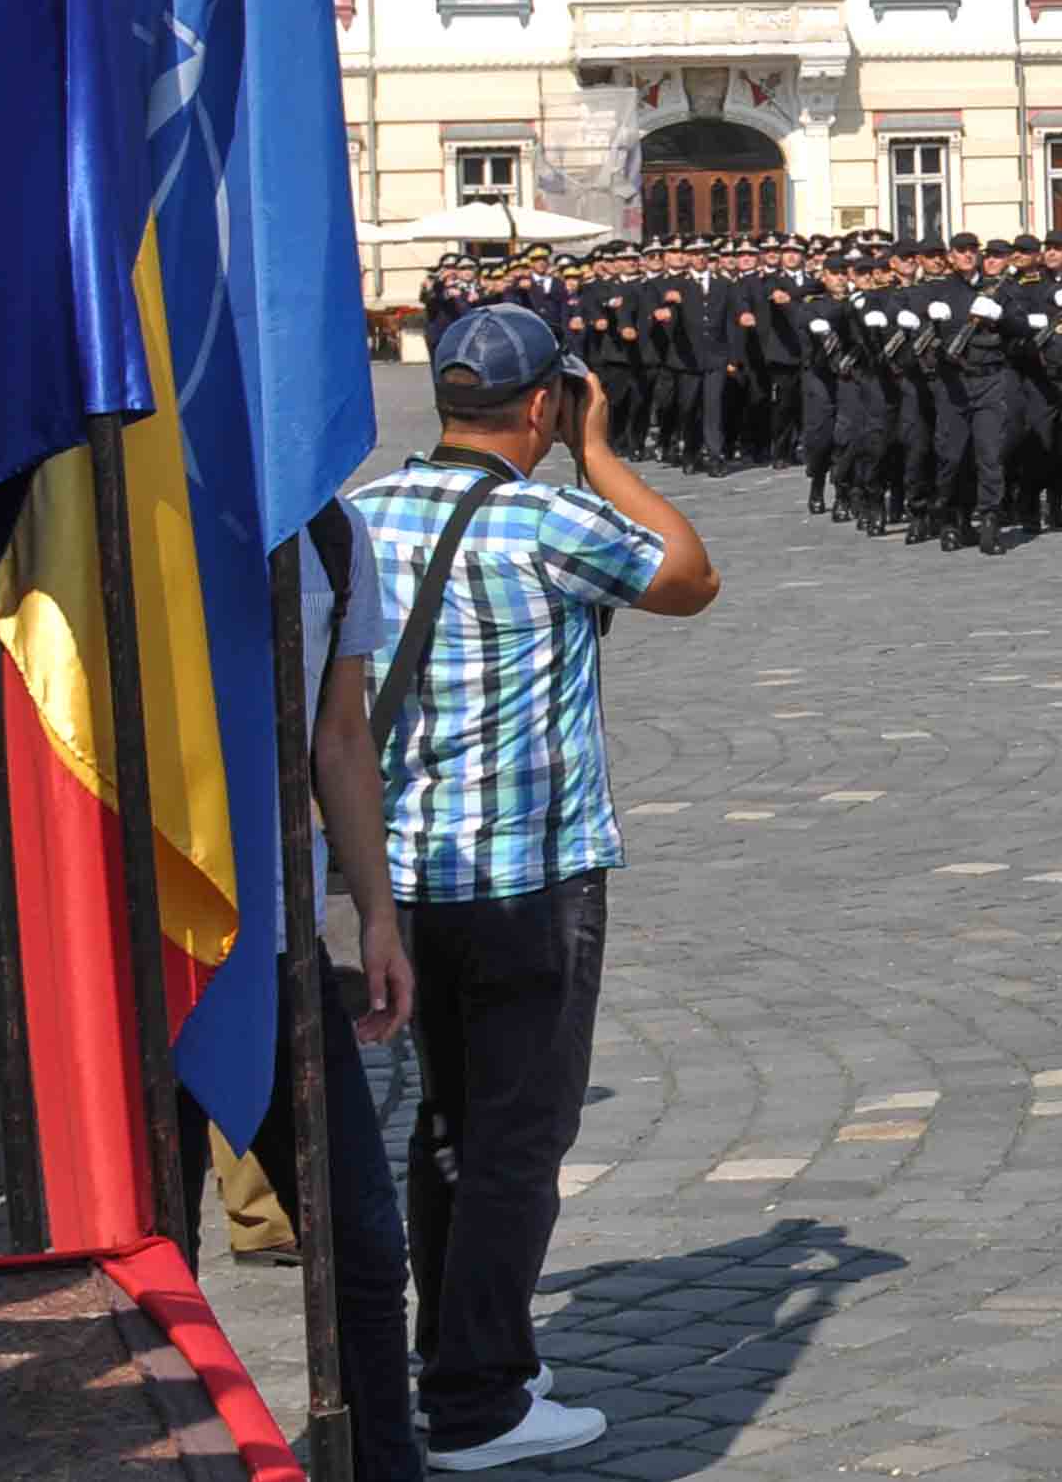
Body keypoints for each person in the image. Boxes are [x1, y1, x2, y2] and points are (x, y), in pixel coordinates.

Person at [344, 306, 719, 1470]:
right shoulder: (553, 519)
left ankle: (453, 1345)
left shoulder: (361, 514)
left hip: (403, 878)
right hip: (527, 877)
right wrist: (604, 454)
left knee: (445, 1125)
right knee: (518, 1136)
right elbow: (690, 576)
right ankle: (482, 1400)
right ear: (546, 405)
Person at [239, 499, 427, 1482]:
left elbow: (342, 735)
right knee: (137, 1259)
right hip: (140, 949)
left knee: (361, 1245)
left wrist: (379, 919)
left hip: (280, 948)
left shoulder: (329, 528)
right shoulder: (126, 484)